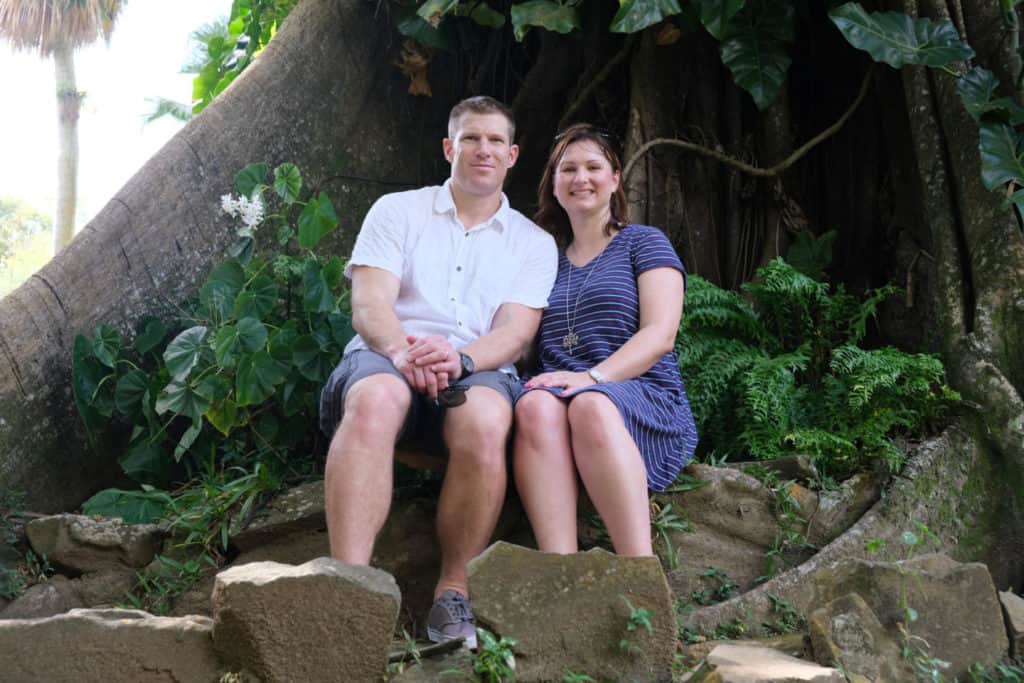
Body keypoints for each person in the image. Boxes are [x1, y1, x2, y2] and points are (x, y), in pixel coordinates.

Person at [319, 96, 557, 648]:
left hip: (478, 367)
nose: (483, 150)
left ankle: (453, 593)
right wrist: (402, 352)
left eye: (495, 141)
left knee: (486, 419)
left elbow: (516, 333)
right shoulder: (397, 211)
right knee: (376, 399)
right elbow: (369, 303)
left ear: (512, 155)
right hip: (387, 355)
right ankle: (348, 586)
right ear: (450, 147)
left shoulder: (534, 243)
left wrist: (463, 359)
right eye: (471, 138)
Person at [513, 123, 698, 557]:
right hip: (557, 396)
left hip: (640, 392)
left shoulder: (643, 243)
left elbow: (660, 334)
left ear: (615, 179)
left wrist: (593, 377)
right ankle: (562, 568)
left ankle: (639, 568)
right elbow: (520, 340)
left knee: (591, 404)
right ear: (554, 185)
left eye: (593, 167)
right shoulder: (543, 262)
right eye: (568, 169)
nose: (581, 178)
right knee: (535, 406)